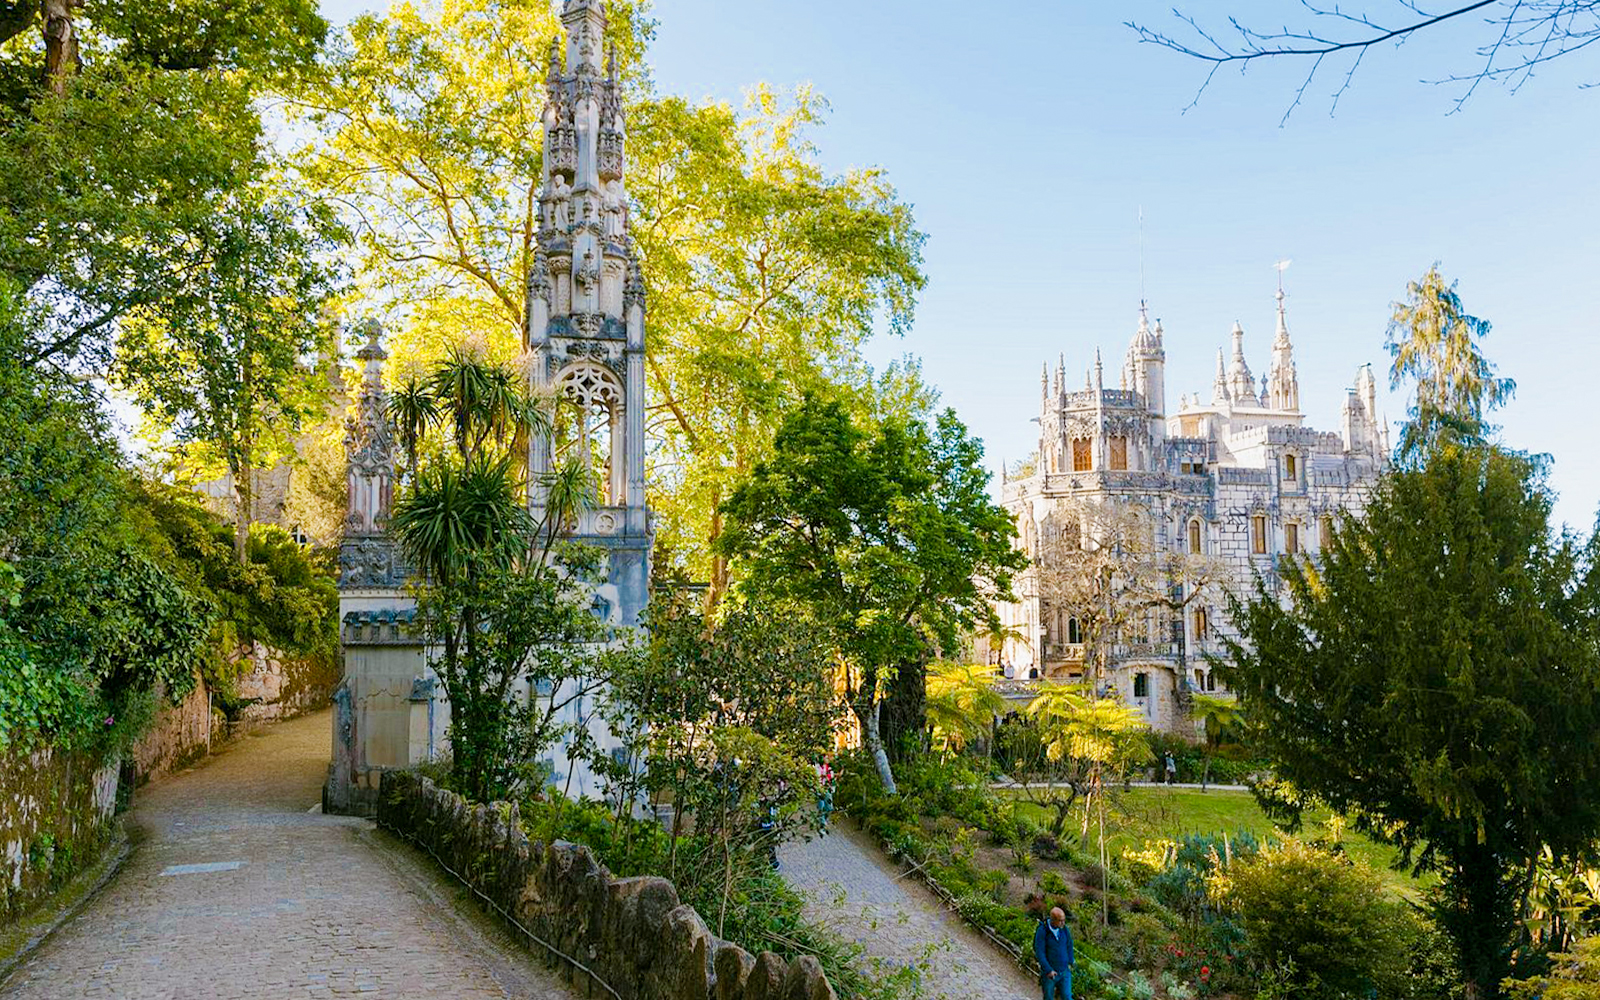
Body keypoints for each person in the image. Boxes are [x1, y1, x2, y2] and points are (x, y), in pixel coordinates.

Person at [1034, 906, 1074, 999]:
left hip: (1064, 971)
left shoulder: (1064, 929)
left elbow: (1069, 945)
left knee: (1067, 997)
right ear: (1053, 920)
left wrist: (1070, 961)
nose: (1063, 923)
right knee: (1048, 997)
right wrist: (1048, 970)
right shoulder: (1042, 931)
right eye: (1060, 920)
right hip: (1050, 974)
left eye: (1064, 920)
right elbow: (1040, 952)